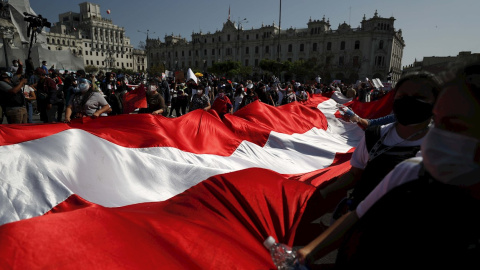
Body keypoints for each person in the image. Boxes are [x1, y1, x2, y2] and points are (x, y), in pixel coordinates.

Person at [296, 61, 480, 269]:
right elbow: (358, 213)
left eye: (454, 124)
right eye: (439, 120)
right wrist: (307, 253)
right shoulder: (412, 170)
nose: (441, 134)